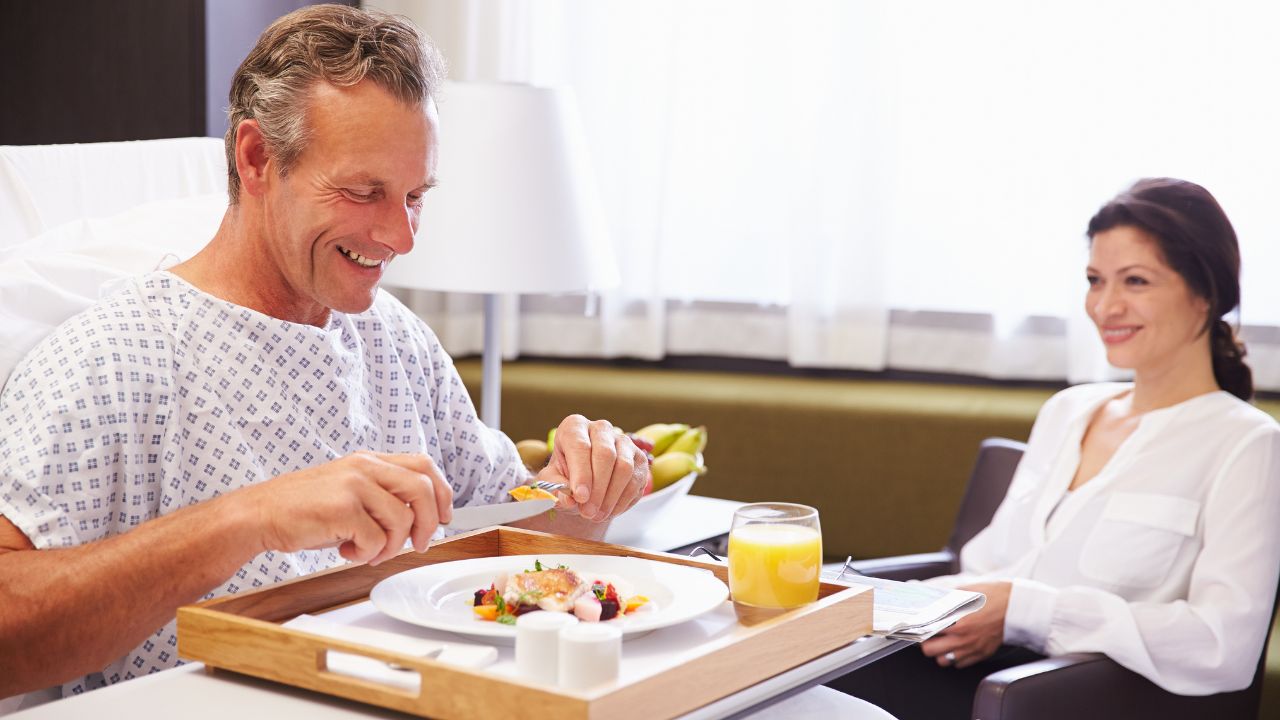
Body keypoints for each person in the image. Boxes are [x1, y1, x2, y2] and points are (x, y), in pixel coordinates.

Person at [0, 5, 650, 706]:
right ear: (256, 159)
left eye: (413, 196)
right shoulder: (111, 363)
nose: (400, 237)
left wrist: (579, 487)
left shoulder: (395, 341)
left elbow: (512, 519)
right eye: (363, 191)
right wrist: (247, 518)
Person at [830, 177, 1280, 718]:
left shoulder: (1248, 445)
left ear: (1207, 294)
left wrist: (1026, 609)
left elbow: (1221, 646)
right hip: (959, 674)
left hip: (1065, 701)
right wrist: (863, 600)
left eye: (1135, 281)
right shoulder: (1068, 411)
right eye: (1095, 280)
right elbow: (990, 566)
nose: (1105, 306)